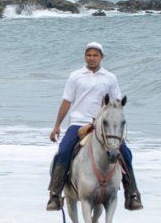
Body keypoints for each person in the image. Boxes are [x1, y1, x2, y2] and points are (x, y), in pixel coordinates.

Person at [46, 42, 142, 210]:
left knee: (125, 153)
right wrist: (56, 126)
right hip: (78, 122)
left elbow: (116, 103)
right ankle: (55, 194)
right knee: (63, 152)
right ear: (85, 57)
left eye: (95, 55)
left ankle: (132, 194)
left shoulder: (110, 78)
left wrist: (117, 126)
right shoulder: (75, 76)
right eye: (88, 55)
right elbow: (67, 101)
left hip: (103, 127)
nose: (91, 58)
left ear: (101, 57)